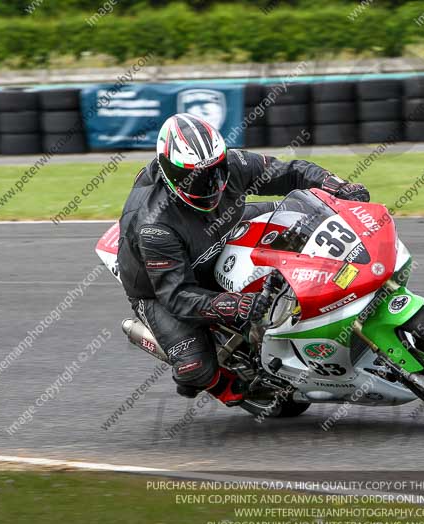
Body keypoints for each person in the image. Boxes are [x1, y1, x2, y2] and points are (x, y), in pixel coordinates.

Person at [117, 113, 369, 404]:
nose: (210, 184)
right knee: (195, 369)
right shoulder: (154, 226)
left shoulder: (231, 166)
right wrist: (240, 304)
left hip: (225, 227)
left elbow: (290, 171)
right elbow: (178, 297)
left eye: (215, 171)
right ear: (171, 174)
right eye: (196, 179)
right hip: (160, 289)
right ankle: (222, 385)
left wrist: (338, 186)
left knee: (302, 216)